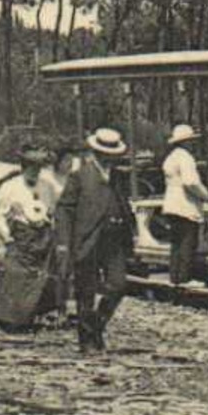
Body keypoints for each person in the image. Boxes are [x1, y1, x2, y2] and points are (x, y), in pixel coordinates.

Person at [55, 127, 134, 353]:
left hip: (113, 240)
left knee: (118, 285)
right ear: (98, 153)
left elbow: (122, 204)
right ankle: (87, 340)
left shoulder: (119, 176)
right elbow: (64, 210)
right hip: (87, 239)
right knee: (85, 292)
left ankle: (97, 325)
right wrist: (64, 242)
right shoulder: (80, 176)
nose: (111, 158)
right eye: (108, 154)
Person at [0, 145, 57, 328]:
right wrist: (0, 234)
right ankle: (3, 317)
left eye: (38, 167)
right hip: (19, 241)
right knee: (13, 272)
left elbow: (56, 213)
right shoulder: (10, 187)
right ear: (23, 166)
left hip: (43, 241)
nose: (35, 171)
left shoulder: (48, 188)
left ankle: (38, 315)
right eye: (31, 167)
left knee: (47, 275)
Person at [160, 123, 208, 286]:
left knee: (176, 243)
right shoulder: (185, 157)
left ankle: (174, 277)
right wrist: (207, 196)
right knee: (187, 242)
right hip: (185, 204)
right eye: (191, 141)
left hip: (171, 203)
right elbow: (191, 182)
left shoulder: (171, 157)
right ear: (186, 142)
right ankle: (185, 278)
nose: (193, 143)